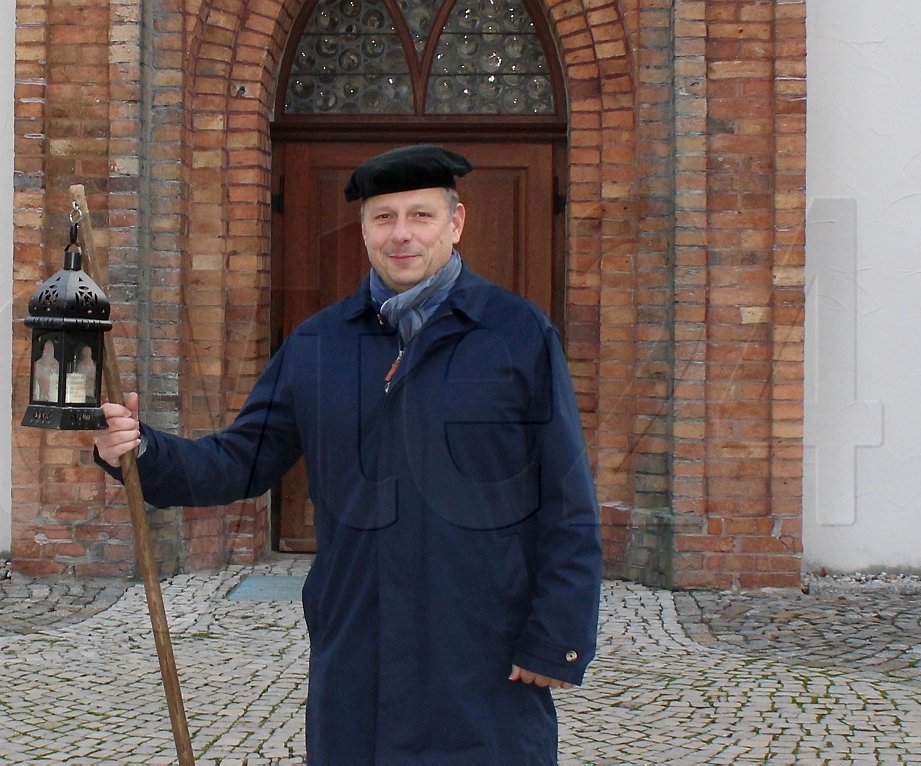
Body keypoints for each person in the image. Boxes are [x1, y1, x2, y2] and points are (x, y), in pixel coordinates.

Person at [95, 144, 602, 765]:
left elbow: (568, 498)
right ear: (363, 230)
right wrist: (139, 448)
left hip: (479, 644)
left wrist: (557, 638)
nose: (402, 235)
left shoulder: (516, 334)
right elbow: (239, 461)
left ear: (456, 223)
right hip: (359, 644)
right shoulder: (320, 343)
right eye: (384, 218)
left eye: (421, 216)